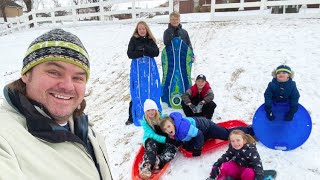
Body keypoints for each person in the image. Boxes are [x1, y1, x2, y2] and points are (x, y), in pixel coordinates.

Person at [0, 29, 113, 180]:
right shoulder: (5, 138)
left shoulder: (88, 132)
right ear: (26, 75)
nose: (67, 86)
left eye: (78, 78)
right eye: (54, 72)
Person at [159, 112, 254, 157]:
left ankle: (249, 129)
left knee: (226, 135)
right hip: (200, 130)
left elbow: (199, 134)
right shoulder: (172, 131)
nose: (168, 129)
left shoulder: (183, 127)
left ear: (173, 124)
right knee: (188, 147)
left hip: (207, 127)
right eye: (165, 129)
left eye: (168, 126)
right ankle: (206, 138)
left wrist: (198, 148)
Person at [126, 21, 160, 125]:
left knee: (151, 91)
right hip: (137, 70)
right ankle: (132, 116)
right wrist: (143, 52)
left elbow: (156, 52)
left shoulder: (150, 40)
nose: (142, 31)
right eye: (140, 29)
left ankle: (154, 115)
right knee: (136, 91)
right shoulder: (133, 40)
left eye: (143, 29)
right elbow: (130, 54)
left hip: (149, 70)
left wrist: (145, 48)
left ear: (146, 30)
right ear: (137, 30)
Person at [139, 99, 181, 179]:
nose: (151, 112)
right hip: (153, 141)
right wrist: (165, 139)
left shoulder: (163, 117)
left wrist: (173, 139)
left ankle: (158, 162)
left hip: (163, 142)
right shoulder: (145, 122)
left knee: (172, 149)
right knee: (151, 144)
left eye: (153, 110)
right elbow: (151, 135)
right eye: (148, 110)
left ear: (156, 109)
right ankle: (147, 165)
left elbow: (171, 125)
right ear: (145, 112)